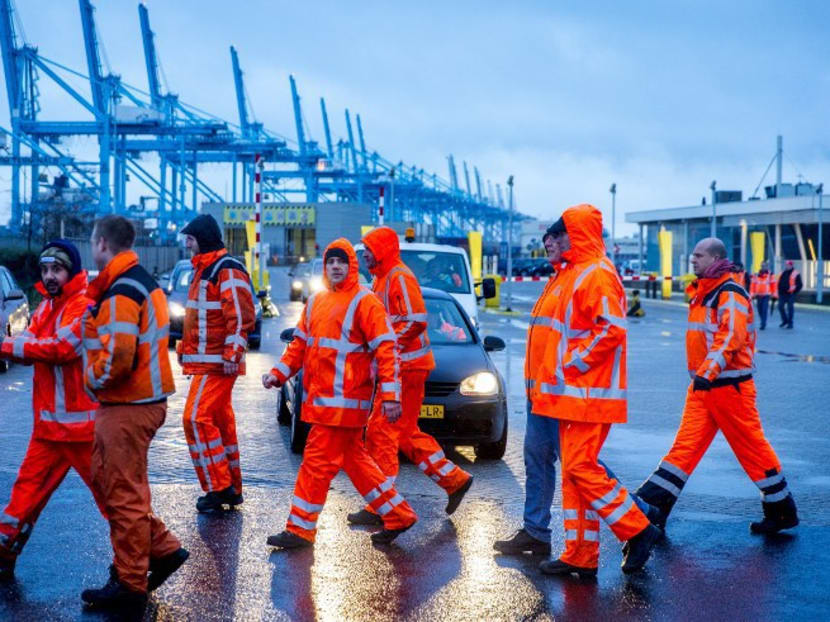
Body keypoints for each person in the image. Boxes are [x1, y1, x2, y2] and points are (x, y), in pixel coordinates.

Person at [498, 205, 661, 578]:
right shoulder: (571, 274)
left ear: (577, 233)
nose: (552, 241)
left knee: (580, 468)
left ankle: (637, 528)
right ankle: (581, 554)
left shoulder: (596, 274)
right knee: (574, 474)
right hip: (571, 394)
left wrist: (571, 364)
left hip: (588, 393)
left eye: (561, 233)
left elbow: (612, 329)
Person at [635, 238, 798, 536]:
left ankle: (782, 511)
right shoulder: (705, 291)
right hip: (705, 387)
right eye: (693, 254)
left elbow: (731, 338)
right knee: (685, 448)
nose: (692, 260)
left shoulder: (729, 292)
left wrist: (707, 373)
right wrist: (703, 378)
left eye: (699, 255)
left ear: (716, 258)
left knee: (752, 449)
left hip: (729, 388)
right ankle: (650, 509)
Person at [262, 239, 418, 548]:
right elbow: (299, 345)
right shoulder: (317, 301)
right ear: (324, 267)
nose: (335, 267)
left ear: (352, 266)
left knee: (315, 464)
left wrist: (391, 397)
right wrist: (279, 374)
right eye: (331, 262)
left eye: (341, 262)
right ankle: (398, 515)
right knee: (358, 464)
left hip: (345, 405)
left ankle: (300, 529)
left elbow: (387, 351)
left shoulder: (365, 301)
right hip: (325, 404)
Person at [80, 215, 188, 613]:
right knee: (113, 484)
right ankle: (161, 549)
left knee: (122, 494)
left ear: (102, 243)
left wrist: (91, 379)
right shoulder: (143, 281)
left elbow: (118, 359)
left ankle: (130, 584)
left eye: (93, 243)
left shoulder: (121, 291)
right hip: (141, 403)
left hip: (126, 404)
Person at [345, 227, 472, 527]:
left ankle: (383, 505)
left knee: (381, 432)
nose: (364, 254)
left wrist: (385, 345)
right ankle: (453, 480)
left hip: (407, 369)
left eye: (369, 249)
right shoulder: (383, 279)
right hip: (404, 368)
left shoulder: (398, 277)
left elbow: (415, 320)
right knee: (403, 434)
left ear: (383, 250)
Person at [0, 241, 106, 582]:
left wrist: (5, 345)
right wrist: (15, 347)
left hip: (80, 430)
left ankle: (158, 549)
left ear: (71, 271)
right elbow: (31, 345)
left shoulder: (84, 305)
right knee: (24, 493)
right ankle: (3, 552)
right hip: (50, 428)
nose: (49, 276)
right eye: (45, 270)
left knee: (113, 498)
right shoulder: (47, 307)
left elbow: (60, 348)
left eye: (56, 269)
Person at [176, 215, 256, 512]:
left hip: (218, 364)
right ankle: (231, 487)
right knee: (220, 423)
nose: (187, 242)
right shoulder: (205, 270)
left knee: (195, 418)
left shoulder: (225, 269)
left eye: (191, 238)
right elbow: (199, 319)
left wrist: (231, 355)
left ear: (204, 238)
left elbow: (241, 318)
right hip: (211, 362)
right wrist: (186, 349)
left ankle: (218, 487)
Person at [750, 261, 775, 330]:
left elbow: (773, 284)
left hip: (766, 295)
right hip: (758, 295)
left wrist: (774, 294)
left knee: (764, 309)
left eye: (764, 266)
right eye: (762, 266)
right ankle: (762, 320)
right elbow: (753, 284)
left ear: (767, 266)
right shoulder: (757, 275)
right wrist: (752, 294)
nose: (763, 267)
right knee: (759, 309)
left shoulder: (770, 275)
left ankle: (763, 323)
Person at [777, 260, 802, 329]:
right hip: (782, 294)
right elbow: (779, 283)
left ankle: (790, 323)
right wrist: (778, 292)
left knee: (790, 308)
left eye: (789, 265)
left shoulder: (796, 273)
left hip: (791, 294)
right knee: (780, 307)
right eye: (787, 265)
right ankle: (785, 320)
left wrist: (795, 292)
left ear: (791, 265)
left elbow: (799, 284)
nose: (787, 266)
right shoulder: (782, 273)